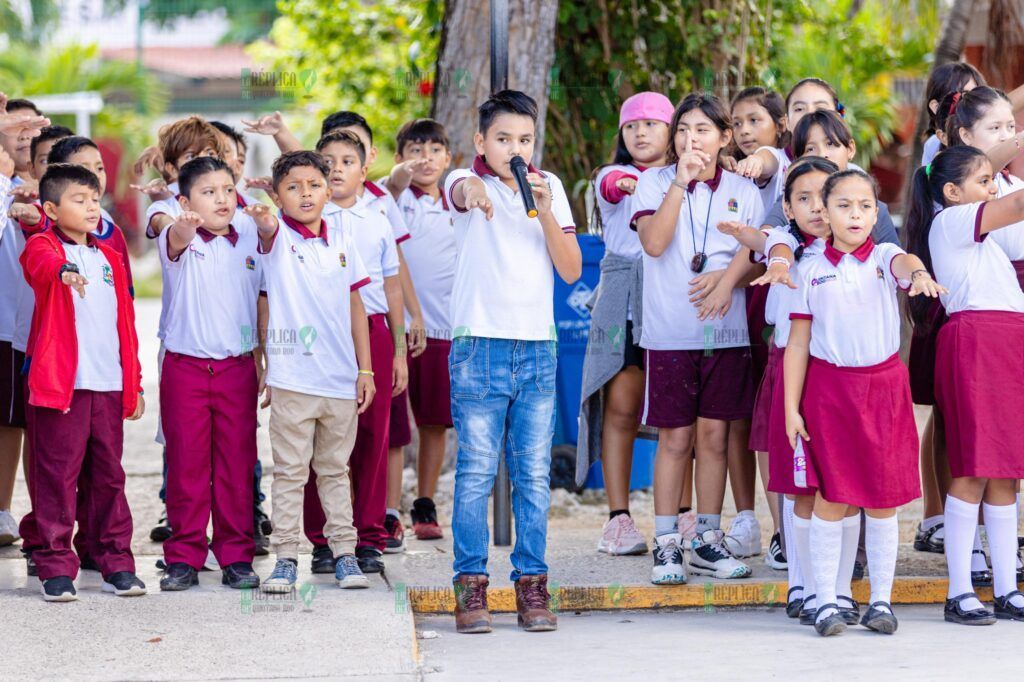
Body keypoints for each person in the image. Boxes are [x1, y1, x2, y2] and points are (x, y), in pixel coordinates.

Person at [784, 168, 944, 636]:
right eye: (843, 206)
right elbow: (797, 344)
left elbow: (906, 262)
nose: (855, 214)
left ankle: (880, 601)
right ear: (823, 213)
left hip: (884, 389)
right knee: (831, 497)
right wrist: (792, 409)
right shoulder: (809, 269)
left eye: (865, 206)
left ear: (876, 213)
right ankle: (827, 601)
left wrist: (918, 274)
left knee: (882, 501)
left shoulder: (886, 256)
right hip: (829, 393)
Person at [444, 89, 581, 633]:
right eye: (503, 139)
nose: (515, 149)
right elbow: (461, 190)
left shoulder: (550, 191)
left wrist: (546, 212)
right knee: (476, 471)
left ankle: (532, 586)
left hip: (537, 349)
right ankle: (471, 589)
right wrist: (476, 188)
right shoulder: (465, 179)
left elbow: (570, 270)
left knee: (533, 475)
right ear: (481, 141)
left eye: (524, 139)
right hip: (480, 344)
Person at [632, 92, 764, 584]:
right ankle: (667, 543)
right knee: (675, 438)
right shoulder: (652, 181)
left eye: (703, 130)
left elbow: (757, 253)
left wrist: (726, 279)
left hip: (725, 334)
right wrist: (679, 185)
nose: (692, 139)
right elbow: (654, 242)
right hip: (669, 333)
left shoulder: (743, 189)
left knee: (714, 436)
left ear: (724, 137)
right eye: (683, 129)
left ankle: (707, 539)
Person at [903, 145, 1024, 625]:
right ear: (952, 192)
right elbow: (1016, 204)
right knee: (973, 468)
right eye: (983, 180)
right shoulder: (951, 222)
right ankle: (959, 591)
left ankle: (1007, 589)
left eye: (993, 180)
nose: (992, 188)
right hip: (977, 342)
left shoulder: (984, 240)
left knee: (1005, 472)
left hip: (1005, 345)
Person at [248, 150, 376, 592]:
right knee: (290, 472)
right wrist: (265, 219)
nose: (305, 194)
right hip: (293, 381)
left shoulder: (343, 238)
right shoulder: (276, 234)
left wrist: (366, 370)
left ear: (328, 188)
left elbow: (357, 306)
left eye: (314, 185)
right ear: (278, 194)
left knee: (335, 470)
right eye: (293, 187)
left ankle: (344, 553)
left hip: (340, 380)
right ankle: (285, 558)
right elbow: (266, 231)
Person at [20, 163, 146, 601]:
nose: (92, 207)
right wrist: (63, 273)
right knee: (57, 478)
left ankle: (117, 563)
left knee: (109, 477)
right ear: (51, 209)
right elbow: (41, 264)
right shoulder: (42, 246)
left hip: (108, 385)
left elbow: (124, 325)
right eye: (79, 200)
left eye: (95, 199)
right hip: (63, 388)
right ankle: (55, 565)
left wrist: (136, 384)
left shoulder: (110, 257)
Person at [156, 157, 264, 591]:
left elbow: (264, 294)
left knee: (237, 466)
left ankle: (236, 556)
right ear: (184, 201)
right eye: (208, 192)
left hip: (237, 369)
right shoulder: (177, 235)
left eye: (227, 189)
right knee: (187, 467)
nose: (221, 199)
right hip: (184, 370)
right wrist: (184, 222)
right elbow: (179, 232)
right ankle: (183, 556)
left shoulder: (251, 233)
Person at [577, 91, 673, 557]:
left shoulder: (684, 180)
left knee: (680, 418)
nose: (640, 133)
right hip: (624, 303)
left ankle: (681, 518)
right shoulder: (611, 178)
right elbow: (614, 184)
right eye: (632, 126)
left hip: (672, 301)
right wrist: (634, 184)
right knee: (620, 408)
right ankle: (618, 519)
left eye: (653, 124)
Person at [382, 118, 456, 543]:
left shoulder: (457, 203)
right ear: (399, 158)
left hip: (443, 326)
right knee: (394, 423)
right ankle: (387, 509)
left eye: (433, 150)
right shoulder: (390, 198)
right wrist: (398, 178)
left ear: (448, 158)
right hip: (396, 326)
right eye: (415, 149)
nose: (424, 159)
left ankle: (423, 501)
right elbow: (390, 185)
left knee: (433, 421)